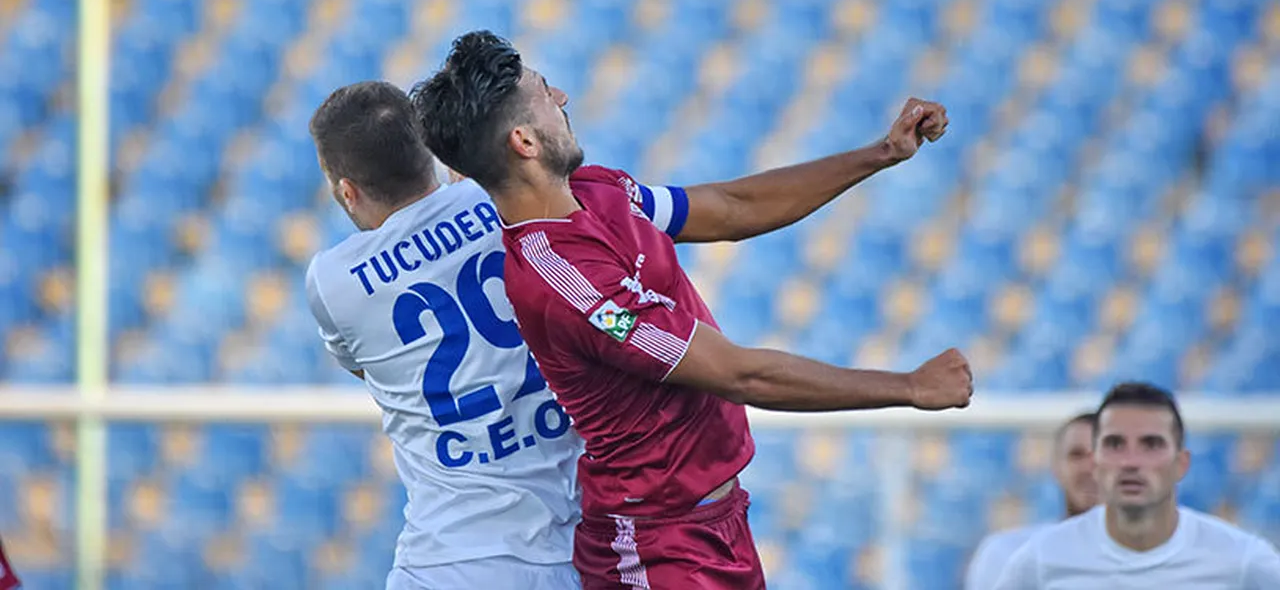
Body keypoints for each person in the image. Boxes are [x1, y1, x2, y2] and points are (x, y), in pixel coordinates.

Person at [411, 30, 974, 589]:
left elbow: (731, 208)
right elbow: (739, 373)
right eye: (544, 95)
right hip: (657, 552)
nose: (562, 98)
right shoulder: (565, 282)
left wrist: (881, 153)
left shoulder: (598, 190)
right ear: (524, 143)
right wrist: (909, 387)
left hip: (713, 527)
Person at [305, 81, 586, 589]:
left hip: (448, 564)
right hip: (576, 552)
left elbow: (369, 370)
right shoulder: (509, 199)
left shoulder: (333, 282)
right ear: (428, 152)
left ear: (347, 191)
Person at [993, 382, 1280, 589]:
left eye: (1151, 444)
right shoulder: (1042, 559)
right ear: (1096, 462)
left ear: (1181, 463)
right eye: (1115, 443)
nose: (1131, 462)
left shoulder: (1243, 561)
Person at [964, 412, 1098, 590]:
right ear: (1055, 468)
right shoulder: (1005, 554)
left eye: (1101, 454)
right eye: (1076, 455)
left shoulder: (1144, 563)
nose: (1089, 468)